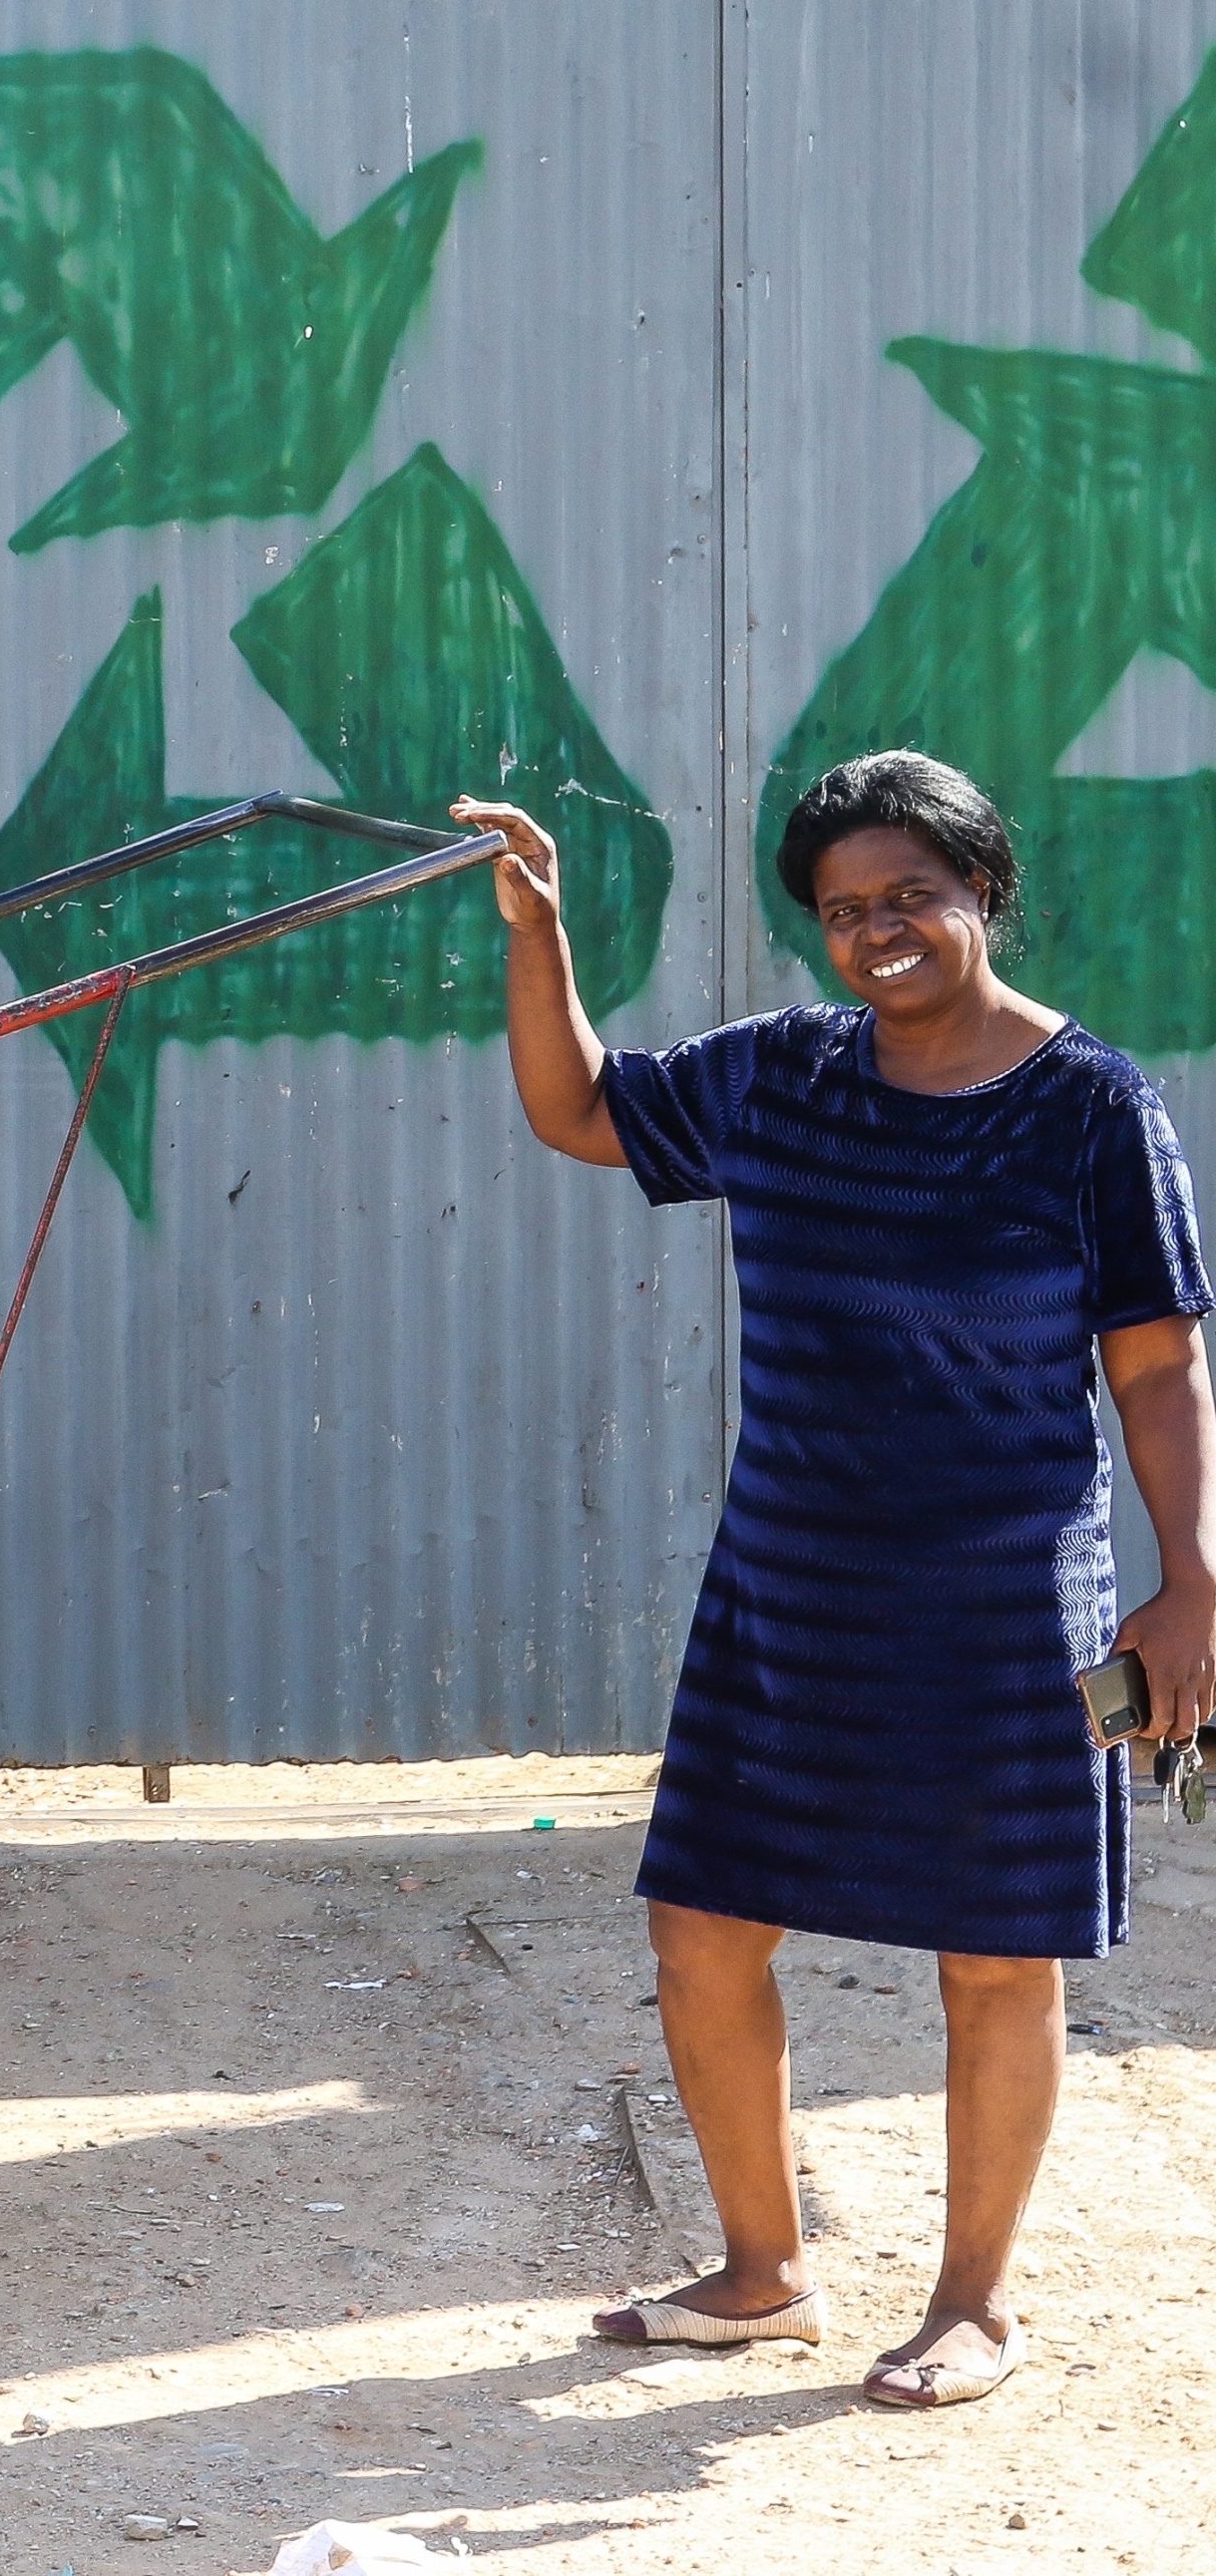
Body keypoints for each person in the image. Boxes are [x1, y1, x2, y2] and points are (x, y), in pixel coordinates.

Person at [451, 752, 1216, 2409]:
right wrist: (539, 935)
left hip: (1009, 1591)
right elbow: (580, 1107)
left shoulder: (1090, 1105)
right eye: (843, 909)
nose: (876, 931)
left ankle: (973, 2304)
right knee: (705, 1924)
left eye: (910, 896)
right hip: (791, 1582)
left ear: (982, 890)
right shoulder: (784, 1078)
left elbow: (1156, 1366)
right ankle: (761, 2268)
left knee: (997, 1951)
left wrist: (1190, 1580)